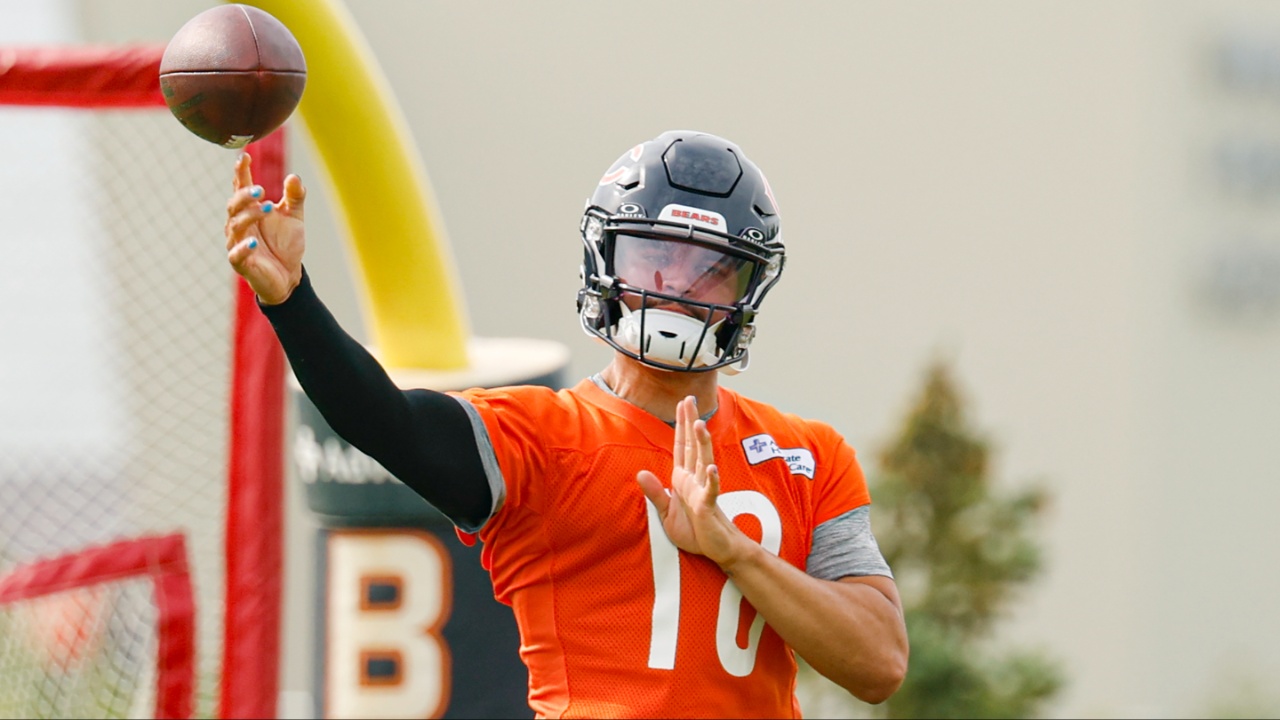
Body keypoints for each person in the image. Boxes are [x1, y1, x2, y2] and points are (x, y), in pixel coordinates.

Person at [224, 130, 909, 718]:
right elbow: (385, 420)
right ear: (604, 260)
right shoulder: (541, 437)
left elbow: (879, 664)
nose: (674, 287)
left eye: (710, 272)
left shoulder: (807, 454)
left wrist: (736, 553)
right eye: (653, 258)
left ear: (746, 292)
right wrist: (293, 303)